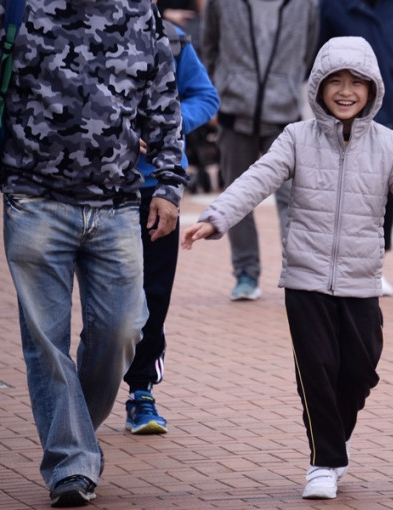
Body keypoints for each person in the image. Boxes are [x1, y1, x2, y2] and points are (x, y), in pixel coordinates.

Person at [181, 36, 393, 500]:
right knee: (316, 369)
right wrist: (214, 219)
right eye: (335, 80)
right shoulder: (296, 138)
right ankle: (324, 461)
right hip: (305, 279)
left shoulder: (390, 147)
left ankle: (335, 439)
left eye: (356, 82)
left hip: (361, 281)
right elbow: (255, 180)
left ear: (372, 89)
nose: (345, 91)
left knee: (360, 370)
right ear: (318, 87)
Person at [0, 0, 186, 506]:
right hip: (35, 202)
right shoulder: (16, 6)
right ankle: (71, 464)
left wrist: (168, 183)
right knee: (45, 343)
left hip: (118, 205)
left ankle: (73, 437)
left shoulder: (140, 10)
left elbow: (163, 100)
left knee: (124, 329)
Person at [124, 17, 219, 435]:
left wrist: (166, 120)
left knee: (153, 295)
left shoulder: (174, 41)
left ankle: (141, 390)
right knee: (107, 302)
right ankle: (86, 392)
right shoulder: (75, 23)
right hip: (97, 190)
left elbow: (205, 97)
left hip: (159, 188)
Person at [319, 0, 393, 297]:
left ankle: (375, 265)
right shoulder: (333, 6)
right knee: (349, 189)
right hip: (349, 113)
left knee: (386, 190)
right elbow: (318, 57)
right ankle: (343, 266)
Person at [200, 0, 319, 301]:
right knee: (237, 195)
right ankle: (246, 273)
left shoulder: (306, 4)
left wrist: (288, 83)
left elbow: (308, 52)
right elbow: (209, 45)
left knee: (293, 196)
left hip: (284, 114)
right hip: (233, 109)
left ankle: (299, 273)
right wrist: (223, 86)